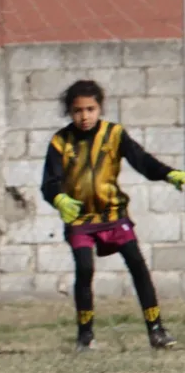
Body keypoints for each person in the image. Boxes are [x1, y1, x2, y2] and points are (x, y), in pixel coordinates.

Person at [41, 79, 181, 352]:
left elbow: (143, 162)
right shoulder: (60, 141)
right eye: (78, 110)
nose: (85, 116)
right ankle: (85, 336)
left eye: (90, 109)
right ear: (70, 111)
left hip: (114, 216)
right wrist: (58, 198)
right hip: (80, 222)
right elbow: (49, 182)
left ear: (100, 108)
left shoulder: (115, 135)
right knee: (85, 269)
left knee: (138, 266)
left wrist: (169, 174)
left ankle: (157, 330)